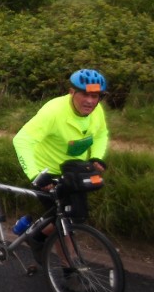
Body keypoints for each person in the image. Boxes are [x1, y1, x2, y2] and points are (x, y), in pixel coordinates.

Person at [13, 69, 110, 260]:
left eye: (95, 96)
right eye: (85, 94)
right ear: (72, 92)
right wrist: (36, 175)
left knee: (76, 217)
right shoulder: (53, 111)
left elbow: (100, 134)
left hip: (74, 172)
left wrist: (97, 157)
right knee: (64, 224)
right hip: (48, 173)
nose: (90, 101)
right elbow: (21, 140)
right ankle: (70, 273)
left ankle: (34, 234)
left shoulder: (96, 110)